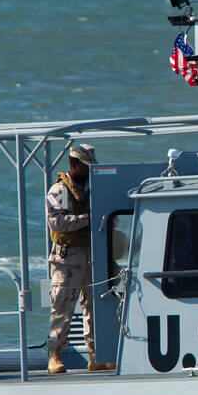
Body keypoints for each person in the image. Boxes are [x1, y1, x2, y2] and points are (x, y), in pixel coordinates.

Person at [46, 143, 113, 373]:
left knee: (94, 307)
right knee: (62, 306)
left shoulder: (93, 187)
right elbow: (56, 222)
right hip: (68, 260)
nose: (88, 170)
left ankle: (96, 356)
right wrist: (88, 218)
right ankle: (55, 355)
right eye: (84, 166)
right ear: (73, 164)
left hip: (93, 255)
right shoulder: (60, 190)